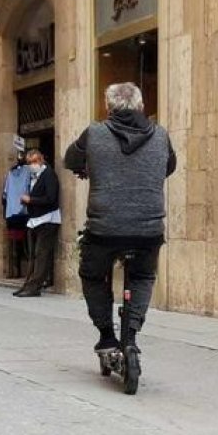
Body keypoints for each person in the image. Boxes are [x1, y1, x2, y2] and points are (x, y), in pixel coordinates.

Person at [63, 82, 176, 353]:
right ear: (141, 106)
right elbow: (169, 166)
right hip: (148, 229)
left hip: (105, 228)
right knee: (143, 276)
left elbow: (70, 159)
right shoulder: (161, 135)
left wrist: (85, 167)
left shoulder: (94, 133)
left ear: (108, 106)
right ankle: (132, 333)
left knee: (92, 275)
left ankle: (106, 335)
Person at [14, 149, 59, 297]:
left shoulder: (49, 175)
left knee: (41, 255)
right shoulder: (34, 176)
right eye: (29, 162)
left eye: (34, 161)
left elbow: (51, 198)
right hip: (34, 221)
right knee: (32, 254)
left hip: (47, 220)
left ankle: (34, 287)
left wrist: (31, 200)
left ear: (41, 160)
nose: (32, 165)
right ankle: (27, 285)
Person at [1, 149, 31, 279]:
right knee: (25, 244)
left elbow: (4, 195)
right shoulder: (26, 173)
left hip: (12, 215)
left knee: (16, 243)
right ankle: (22, 271)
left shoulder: (12, 173)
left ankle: (16, 271)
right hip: (24, 214)